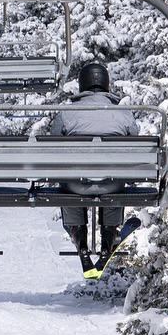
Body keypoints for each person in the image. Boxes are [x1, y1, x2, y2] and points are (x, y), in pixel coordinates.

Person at [45, 60, 139, 273]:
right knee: (116, 179)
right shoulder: (124, 114)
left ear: (81, 85)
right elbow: (135, 145)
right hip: (112, 184)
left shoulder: (66, 113)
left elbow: (51, 146)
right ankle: (108, 237)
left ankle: (80, 241)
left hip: (77, 185)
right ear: (106, 84)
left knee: (69, 180)